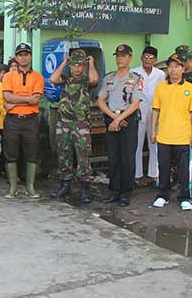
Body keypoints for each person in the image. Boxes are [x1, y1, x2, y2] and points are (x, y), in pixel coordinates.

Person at [49, 49, 98, 204]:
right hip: (64, 123)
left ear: (83, 67)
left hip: (81, 124)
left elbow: (95, 80)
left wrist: (91, 63)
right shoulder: (66, 78)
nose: (77, 68)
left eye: (80, 65)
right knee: (64, 155)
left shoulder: (85, 80)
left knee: (83, 157)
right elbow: (53, 78)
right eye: (74, 65)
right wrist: (64, 62)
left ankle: (85, 189)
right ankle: (65, 185)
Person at [151, 52, 192, 210]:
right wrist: (153, 131)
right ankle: (162, 195)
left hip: (183, 137)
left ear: (182, 69)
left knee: (184, 169)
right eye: (170, 67)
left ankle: (185, 197)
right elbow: (156, 111)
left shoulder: (190, 88)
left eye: (176, 67)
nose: (173, 70)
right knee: (163, 168)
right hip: (164, 135)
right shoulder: (161, 87)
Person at [98, 44, 144, 207]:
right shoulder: (109, 78)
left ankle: (126, 192)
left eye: (123, 56)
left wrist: (120, 119)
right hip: (112, 119)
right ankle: (114, 191)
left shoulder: (136, 79)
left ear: (130, 58)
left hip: (128, 120)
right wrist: (114, 118)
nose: (120, 59)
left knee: (127, 158)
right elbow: (101, 100)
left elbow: (135, 104)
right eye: (118, 56)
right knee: (113, 157)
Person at [1, 42, 44, 199]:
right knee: (10, 153)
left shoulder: (38, 77)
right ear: (16, 57)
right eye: (20, 54)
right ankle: (13, 187)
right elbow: (7, 96)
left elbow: (36, 99)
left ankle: (30, 187)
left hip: (31, 120)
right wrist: (27, 98)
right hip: (12, 120)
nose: (23, 57)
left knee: (32, 153)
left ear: (30, 56)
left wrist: (15, 101)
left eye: (26, 54)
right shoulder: (8, 76)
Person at [131, 46, 166, 185]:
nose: (148, 60)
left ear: (155, 60)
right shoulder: (134, 72)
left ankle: (154, 174)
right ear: (141, 58)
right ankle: (137, 174)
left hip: (155, 109)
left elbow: (162, 93)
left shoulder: (160, 74)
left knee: (154, 141)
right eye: (145, 57)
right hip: (138, 108)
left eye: (151, 58)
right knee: (137, 142)